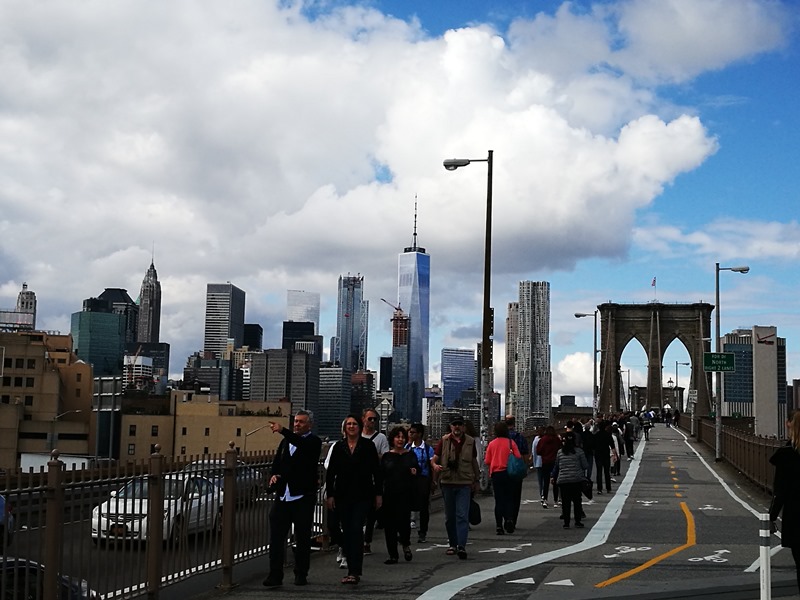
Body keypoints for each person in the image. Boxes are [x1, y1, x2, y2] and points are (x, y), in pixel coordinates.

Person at [262, 411, 323, 588]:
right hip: (283, 495)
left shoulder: (313, 442)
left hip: (302, 496)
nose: (297, 424)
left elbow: (301, 444)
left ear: (310, 425)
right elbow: (277, 463)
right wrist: (274, 475)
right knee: (276, 538)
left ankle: (301, 573)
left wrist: (283, 430)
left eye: (301, 422)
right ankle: (275, 575)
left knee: (302, 537)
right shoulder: (285, 442)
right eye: (295, 421)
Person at [326, 414, 382, 585]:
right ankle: (346, 548)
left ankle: (354, 571)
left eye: (354, 424)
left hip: (363, 495)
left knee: (356, 529)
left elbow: (376, 471)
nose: (351, 426)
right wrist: (330, 495)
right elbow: (331, 472)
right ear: (345, 428)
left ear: (360, 426)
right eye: (348, 424)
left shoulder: (368, 446)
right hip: (342, 495)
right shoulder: (338, 447)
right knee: (339, 528)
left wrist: (378, 494)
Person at [431, 415, 480, 560]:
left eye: (459, 424)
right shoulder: (444, 441)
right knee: (450, 517)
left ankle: (461, 545)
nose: (457, 427)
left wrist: (477, 480)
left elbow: (474, 461)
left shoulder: (470, 441)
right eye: (454, 424)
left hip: (464, 483)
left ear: (463, 426)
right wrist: (435, 468)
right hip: (447, 482)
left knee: (462, 515)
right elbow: (434, 459)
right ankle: (453, 544)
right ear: (451, 426)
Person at [769, 410, 800, 596]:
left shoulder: (786, 455)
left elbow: (780, 491)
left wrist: (771, 517)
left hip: (796, 517)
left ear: (788, 424)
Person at [380, 426, 418, 564]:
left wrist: (415, 472)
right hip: (390, 494)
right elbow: (381, 476)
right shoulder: (387, 456)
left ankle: (405, 544)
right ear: (393, 439)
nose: (400, 440)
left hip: (405, 494)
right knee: (389, 525)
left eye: (402, 437)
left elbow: (417, 471)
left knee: (404, 523)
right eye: (397, 437)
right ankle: (393, 554)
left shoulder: (410, 455)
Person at [484, 421, 522, 535]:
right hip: (509, 473)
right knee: (509, 498)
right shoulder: (511, 443)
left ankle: (499, 526)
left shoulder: (492, 444)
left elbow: (487, 461)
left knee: (499, 500)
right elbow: (518, 456)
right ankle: (509, 519)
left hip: (496, 474)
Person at [361, 408, 389, 555]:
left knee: (371, 512)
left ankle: (367, 542)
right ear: (363, 419)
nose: (372, 421)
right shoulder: (357, 435)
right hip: (357, 479)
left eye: (374, 419)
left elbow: (386, 457)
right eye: (369, 418)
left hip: (374, 479)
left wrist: (371, 455)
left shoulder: (381, 438)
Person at [551, 431, 589, 529]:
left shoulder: (560, 452)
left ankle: (566, 523)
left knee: (565, 502)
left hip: (563, 480)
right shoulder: (579, 451)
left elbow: (557, 466)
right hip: (576, 479)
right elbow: (585, 466)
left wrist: (553, 476)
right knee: (577, 501)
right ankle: (577, 521)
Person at [324, 420, 347, 570]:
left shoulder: (363, 446)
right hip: (336, 488)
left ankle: (347, 554)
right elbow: (327, 464)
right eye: (347, 427)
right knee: (332, 524)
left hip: (353, 491)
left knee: (349, 524)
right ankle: (342, 544)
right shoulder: (336, 446)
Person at [406, 422, 435, 544]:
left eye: (413, 432)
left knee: (423, 508)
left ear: (419, 434)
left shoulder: (428, 449)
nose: (410, 434)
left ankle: (423, 532)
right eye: (410, 432)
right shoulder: (407, 447)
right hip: (410, 480)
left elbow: (432, 466)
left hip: (423, 480)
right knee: (407, 506)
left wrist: (433, 481)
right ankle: (404, 532)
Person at [505, 415, 529, 525]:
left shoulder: (500, 439)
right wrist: (525, 467)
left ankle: (506, 517)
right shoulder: (520, 437)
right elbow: (525, 454)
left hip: (503, 469)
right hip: (517, 470)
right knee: (516, 496)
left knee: (504, 495)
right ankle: (513, 520)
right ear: (514, 423)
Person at [536, 426, 562, 508]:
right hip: (555, 462)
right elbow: (561, 448)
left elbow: (538, 451)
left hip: (545, 462)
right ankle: (555, 501)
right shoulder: (557, 439)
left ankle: (545, 499)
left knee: (546, 481)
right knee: (555, 482)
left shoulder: (543, 439)